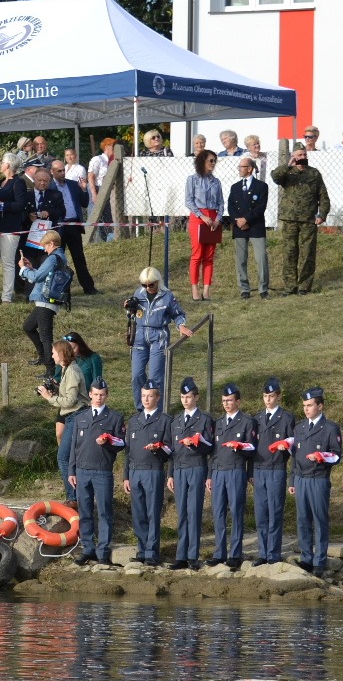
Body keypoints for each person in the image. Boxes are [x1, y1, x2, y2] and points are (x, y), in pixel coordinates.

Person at [68, 378, 125, 566]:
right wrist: (71, 471)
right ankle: (87, 549)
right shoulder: (80, 418)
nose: (98, 398)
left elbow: (121, 444)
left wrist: (108, 442)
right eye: (95, 394)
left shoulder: (114, 418)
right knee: (85, 512)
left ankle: (103, 551)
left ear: (106, 395)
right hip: (82, 471)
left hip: (102, 471)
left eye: (102, 394)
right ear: (90, 395)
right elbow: (74, 446)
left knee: (104, 512)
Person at [289, 387, 343, 577]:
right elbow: (295, 456)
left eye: (310, 405)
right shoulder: (299, 427)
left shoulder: (330, 428)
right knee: (302, 520)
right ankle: (306, 558)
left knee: (320, 520)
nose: (306, 409)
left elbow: (336, 455)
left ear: (320, 406)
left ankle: (320, 561)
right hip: (301, 479)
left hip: (318, 479)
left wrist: (321, 456)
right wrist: (292, 480)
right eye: (304, 405)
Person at [125, 267, 192, 412]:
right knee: (137, 375)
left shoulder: (167, 296)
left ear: (158, 282)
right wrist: (128, 308)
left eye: (151, 285)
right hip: (140, 335)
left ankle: (157, 411)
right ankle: (141, 409)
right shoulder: (138, 293)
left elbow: (178, 314)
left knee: (155, 377)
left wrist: (181, 326)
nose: (148, 288)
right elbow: (132, 314)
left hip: (159, 336)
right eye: (144, 285)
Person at [206, 383, 256, 569]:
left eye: (229, 400)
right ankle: (219, 553)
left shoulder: (247, 422)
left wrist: (240, 447)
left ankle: (235, 553)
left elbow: (252, 449)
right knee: (218, 512)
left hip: (236, 470)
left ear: (238, 402)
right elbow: (213, 453)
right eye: (224, 401)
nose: (226, 404)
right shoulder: (218, 423)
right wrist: (210, 475)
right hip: (218, 472)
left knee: (236, 512)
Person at [122, 380, 171, 566]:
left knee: (152, 513)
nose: (146, 399)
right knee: (138, 513)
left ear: (157, 398)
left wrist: (158, 449)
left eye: (150, 396)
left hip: (153, 470)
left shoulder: (165, 420)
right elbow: (128, 451)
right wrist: (126, 476)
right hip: (135, 472)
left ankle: (152, 552)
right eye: (143, 396)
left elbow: (170, 451)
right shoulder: (134, 420)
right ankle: (142, 550)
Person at [271, 143, 331, 295]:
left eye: (304, 155)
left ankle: (304, 286)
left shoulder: (314, 173)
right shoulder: (287, 172)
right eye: (299, 155)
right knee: (289, 252)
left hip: (308, 219)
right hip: (289, 219)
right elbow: (275, 177)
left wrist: (322, 215)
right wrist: (289, 165)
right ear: (294, 156)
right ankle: (290, 286)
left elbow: (323, 195)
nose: (303, 157)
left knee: (307, 253)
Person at [166, 377, 213, 571]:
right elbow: (172, 451)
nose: (185, 400)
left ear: (196, 397)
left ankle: (193, 555)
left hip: (196, 467)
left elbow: (210, 449)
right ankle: (181, 556)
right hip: (179, 469)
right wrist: (170, 474)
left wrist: (196, 443)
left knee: (194, 512)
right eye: (182, 397)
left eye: (188, 397)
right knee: (182, 513)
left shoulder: (205, 419)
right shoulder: (176, 421)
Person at [252, 377, 295, 565]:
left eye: (271, 396)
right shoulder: (257, 419)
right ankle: (262, 553)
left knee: (275, 513)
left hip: (276, 469)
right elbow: (251, 447)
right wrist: (250, 472)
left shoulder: (287, 418)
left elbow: (294, 446)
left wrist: (286, 446)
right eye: (265, 396)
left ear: (278, 396)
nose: (268, 400)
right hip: (258, 469)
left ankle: (273, 554)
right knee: (261, 514)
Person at [41, 340, 88, 505]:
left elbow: (70, 400)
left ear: (61, 354)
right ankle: (74, 496)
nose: (52, 355)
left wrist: (49, 397)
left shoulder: (72, 371)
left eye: (54, 352)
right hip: (72, 416)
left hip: (77, 415)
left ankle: (73, 498)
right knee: (68, 457)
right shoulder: (66, 369)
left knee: (63, 457)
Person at [18, 230, 67, 378]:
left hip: (45, 301)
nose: (44, 249)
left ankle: (50, 371)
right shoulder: (60, 257)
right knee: (28, 327)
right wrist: (31, 268)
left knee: (46, 337)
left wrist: (24, 269)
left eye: (45, 246)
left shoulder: (53, 258)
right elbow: (45, 276)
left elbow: (38, 277)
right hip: (47, 301)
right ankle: (43, 357)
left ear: (51, 243)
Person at [49, 159, 96, 295]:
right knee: (59, 259)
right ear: (52, 172)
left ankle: (89, 287)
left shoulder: (73, 184)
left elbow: (84, 203)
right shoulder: (50, 187)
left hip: (74, 225)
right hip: (58, 227)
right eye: (59, 171)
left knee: (79, 257)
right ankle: (61, 289)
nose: (62, 173)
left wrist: (84, 189)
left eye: (63, 170)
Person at [0, 154, 26, 303]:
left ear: (7, 165)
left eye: (2, 162)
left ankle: (6, 297)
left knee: (8, 263)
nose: (0, 164)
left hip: (10, 228)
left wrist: (1, 204)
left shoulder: (18, 182)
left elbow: (21, 205)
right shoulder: (0, 182)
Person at [228, 156, 270, 300]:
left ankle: (263, 289)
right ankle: (244, 289)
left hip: (256, 226)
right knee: (240, 259)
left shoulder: (261, 186)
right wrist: (238, 221)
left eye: (242, 167)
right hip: (239, 227)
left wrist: (246, 219)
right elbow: (231, 206)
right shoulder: (235, 187)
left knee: (261, 258)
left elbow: (261, 207)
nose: (239, 169)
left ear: (250, 169)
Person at [184, 149, 223, 301]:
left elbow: (221, 203)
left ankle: (206, 290)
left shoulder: (216, 182)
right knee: (197, 255)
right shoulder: (192, 179)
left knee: (209, 256)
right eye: (211, 160)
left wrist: (218, 219)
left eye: (215, 161)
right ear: (202, 161)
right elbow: (189, 201)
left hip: (213, 218)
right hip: (198, 218)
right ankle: (195, 288)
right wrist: (202, 216)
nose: (213, 163)